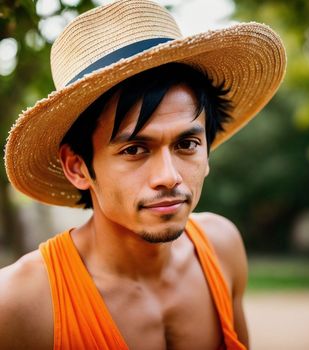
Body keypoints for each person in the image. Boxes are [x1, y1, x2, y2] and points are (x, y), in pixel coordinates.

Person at [0, 0, 286, 349]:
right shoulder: (19, 303)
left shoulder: (222, 246)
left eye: (187, 144)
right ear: (77, 167)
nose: (169, 177)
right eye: (134, 150)